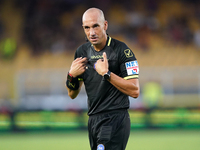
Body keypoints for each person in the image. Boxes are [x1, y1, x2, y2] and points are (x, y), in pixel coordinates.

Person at [66, 7, 140, 150]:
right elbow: (72, 94)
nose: (91, 32)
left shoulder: (122, 50)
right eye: (87, 28)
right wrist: (71, 76)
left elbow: (135, 91)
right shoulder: (81, 52)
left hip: (115, 117)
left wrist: (107, 74)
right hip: (93, 120)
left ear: (105, 25)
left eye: (95, 26)